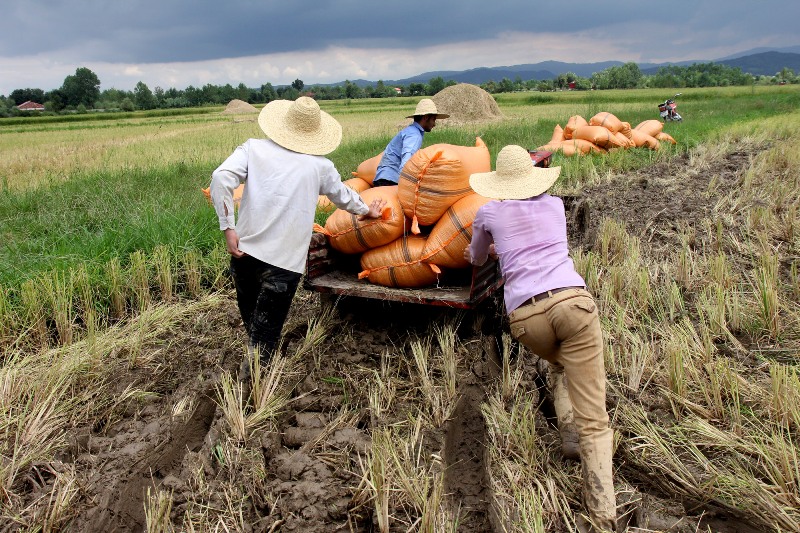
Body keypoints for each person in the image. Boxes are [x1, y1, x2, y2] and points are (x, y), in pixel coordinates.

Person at [464, 145, 616, 532]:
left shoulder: (489, 212)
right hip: (572, 304)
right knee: (594, 417)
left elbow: (478, 258)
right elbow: (537, 241)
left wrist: (487, 247)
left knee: (559, 362)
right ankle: (601, 516)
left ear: (499, 181)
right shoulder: (554, 207)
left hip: (526, 318)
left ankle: (568, 435)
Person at [210, 96, 386, 382]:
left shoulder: (253, 149)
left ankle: (254, 376)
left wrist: (228, 227)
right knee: (264, 335)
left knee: (254, 324)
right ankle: (253, 393)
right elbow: (343, 197)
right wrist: (368, 211)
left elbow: (220, 178)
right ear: (315, 133)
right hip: (283, 265)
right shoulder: (320, 166)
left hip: (244, 254)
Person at [371, 98, 449, 187]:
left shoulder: (410, 131)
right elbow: (406, 162)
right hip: (390, 180)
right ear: (426, 117)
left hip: (385, 177)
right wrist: (406, 184)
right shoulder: (414, 135)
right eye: (433, 119)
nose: (434, 124)